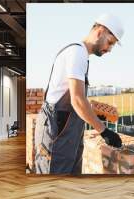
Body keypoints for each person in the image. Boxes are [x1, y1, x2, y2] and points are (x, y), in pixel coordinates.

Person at [35, 14, 124, 174]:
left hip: (69, 131)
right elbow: (77, 99)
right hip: (57, 130)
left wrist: (95, 114)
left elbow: (72, 98)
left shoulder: (81, 55)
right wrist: (104, 131)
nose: (109, 49)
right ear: (100, 31)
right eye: (110, 42)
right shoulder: (76, 53)